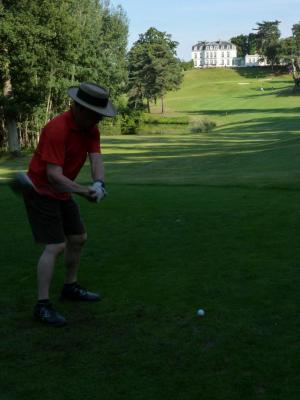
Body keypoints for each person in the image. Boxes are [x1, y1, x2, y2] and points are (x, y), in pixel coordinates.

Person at [22, 82, 116, 327]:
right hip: (40, 190)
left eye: (100, 115)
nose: (98, 119)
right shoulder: (57, 129)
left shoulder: (91, 128)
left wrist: (99, 183)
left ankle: (70, 287)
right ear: (79, 108)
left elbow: (96, 158)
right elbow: (53, 175)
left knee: (78, 238)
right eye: (95, 114)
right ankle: (41, 306)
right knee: (55, 245)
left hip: (62, 191)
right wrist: (85, 191)